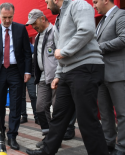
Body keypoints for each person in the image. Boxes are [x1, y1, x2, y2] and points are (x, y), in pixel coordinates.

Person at [26, 0, 109, 154]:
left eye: (47, 2)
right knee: (59, 116)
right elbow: (60, 49)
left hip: (85, 68)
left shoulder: (79, 5)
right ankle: (47, 151)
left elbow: (87, 30)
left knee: (87, 120)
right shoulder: (60, 17)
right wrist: (58, 74)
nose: (47, 5)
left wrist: (64, 51)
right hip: (67, 72)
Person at [0, 2, 32, 150]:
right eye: (4, 17)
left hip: (16, 71)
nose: (7, 21)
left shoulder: (21, 29)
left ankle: (12, 136)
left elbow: (27, 53)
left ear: (13, 15)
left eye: (10, 17)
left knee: (16, 106)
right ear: (0, 15)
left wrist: (27, 71)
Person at [26, 9, 76, 149]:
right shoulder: (37, 37)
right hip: (42, 77)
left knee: (58, 109)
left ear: (43, 19)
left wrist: (60, 75)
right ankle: (48, 137)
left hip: (56, 76)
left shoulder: (55, 32)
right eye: (31, 24)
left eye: (34, 23)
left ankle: (55, 140)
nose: (33, 26)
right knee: (40, 108)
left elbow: (62, 53)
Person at [93, 0, 125, 154]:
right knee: (105, 113)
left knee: (122, 113)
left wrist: (99, 47)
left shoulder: (121, 15)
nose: (94, 5)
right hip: (102, 75)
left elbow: (123, 39)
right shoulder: (101, 21)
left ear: (105, 0)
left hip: (117, 73)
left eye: (95, 1)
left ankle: (122, 146)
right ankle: (108, 143)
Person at [20, 43, 39, 125]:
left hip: (30, 74)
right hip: (19, 75)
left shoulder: (30, 46)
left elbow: (33, 52)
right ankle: (23, 116)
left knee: (33, 95)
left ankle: (37, 117)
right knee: (21, 96)